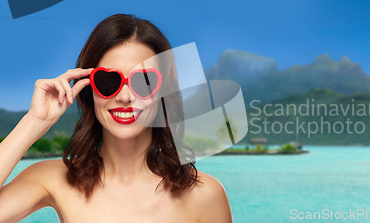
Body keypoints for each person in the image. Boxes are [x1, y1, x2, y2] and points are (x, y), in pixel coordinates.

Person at [0, 14, 233, 222]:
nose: (124, 96)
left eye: (143, 82)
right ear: (89, 88)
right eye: (108, 81)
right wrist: (35, 121)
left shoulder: (206, 194)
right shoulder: (52, 178)